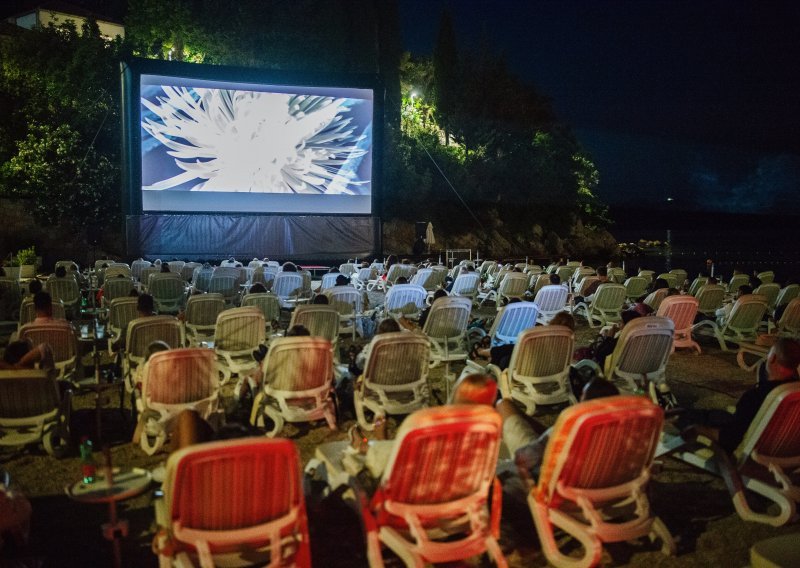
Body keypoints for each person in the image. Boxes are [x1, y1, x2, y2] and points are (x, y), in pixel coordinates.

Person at [681, 338, 800, 454]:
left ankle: (676, 415)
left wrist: (698, 429)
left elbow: (729, 439)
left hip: (750, 447)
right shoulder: (793, 392)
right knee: (711, 415)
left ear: (773, 358)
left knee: (687, 420)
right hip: (777, 442)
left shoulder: (755, 397)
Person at [497, 377, 620, 483]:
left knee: (503, 405)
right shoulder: (619, 438)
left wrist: (500, 469)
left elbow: (525, 458)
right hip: (590, 486)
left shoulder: (574, 428)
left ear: (585, 403)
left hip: (545, 477)